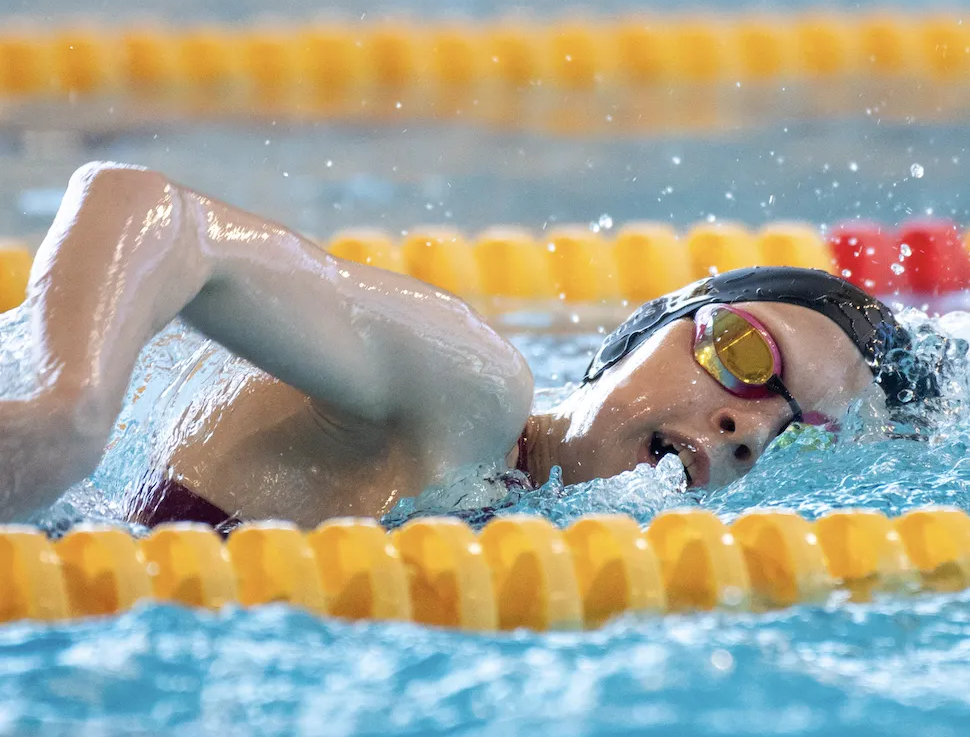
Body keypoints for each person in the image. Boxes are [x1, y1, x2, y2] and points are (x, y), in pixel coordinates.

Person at [0, 163, 939, 530]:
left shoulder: (517, 514)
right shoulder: (475, 390)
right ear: (647, 326)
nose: (744, 423)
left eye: (792, 432)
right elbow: (143, 205)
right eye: (740, 353)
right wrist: (65, 407)